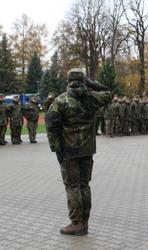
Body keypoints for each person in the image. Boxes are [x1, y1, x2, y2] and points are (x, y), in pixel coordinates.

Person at [46, 68, 111, 236]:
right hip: (87, 150)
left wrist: (57, 150)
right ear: (84, 81)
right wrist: (91, 83)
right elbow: (108, 92)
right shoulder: (93, 99)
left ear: (68, 81)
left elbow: (51, 127)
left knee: (73, 187)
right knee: (84, 186)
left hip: (69, 152)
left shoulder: (61, 101)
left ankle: (76, 223)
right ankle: (85, 222)